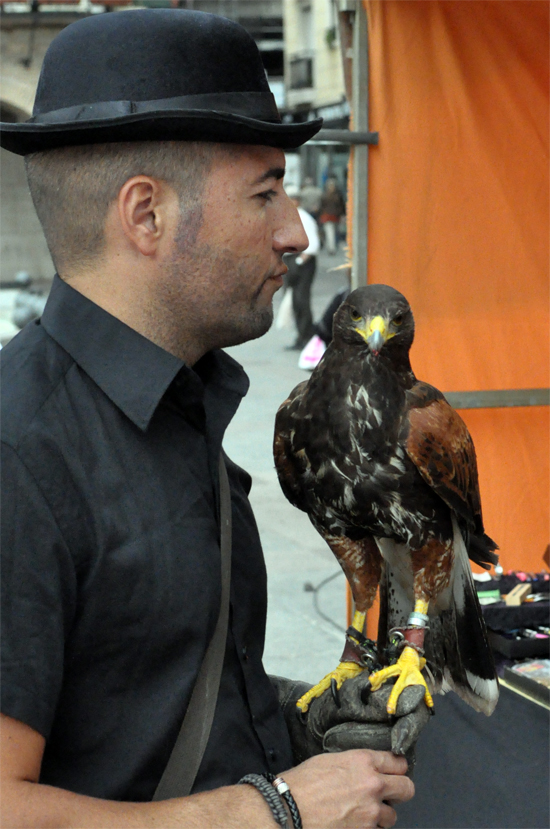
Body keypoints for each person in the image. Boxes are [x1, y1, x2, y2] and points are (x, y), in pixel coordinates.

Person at [0, 10, 426, 828]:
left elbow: (143, 712)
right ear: (146, 215)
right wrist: (274, 810)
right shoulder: (21, 454)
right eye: (265, 191)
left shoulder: (182, 403)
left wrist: (300, 727)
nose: (297, 231)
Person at [283, 186, 320, 350]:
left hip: (302, 262)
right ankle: (301, 336)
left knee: (301, 300)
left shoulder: (304, 218)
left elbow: (313, 245)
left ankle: (307, 337)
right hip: (292, 260)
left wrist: (298, 262)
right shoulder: (290, 216)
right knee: (294, 301)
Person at [320, 177, 346, 254]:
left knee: (331, 232)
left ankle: (331, 246)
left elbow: (321, 206)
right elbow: (342, 206)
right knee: (331, 232)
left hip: (331, 215)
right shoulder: (337, 195)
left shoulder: (325, 195)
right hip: (332, 216)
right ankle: (332, 247)